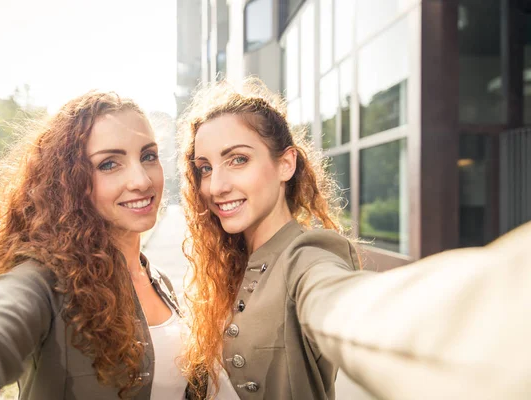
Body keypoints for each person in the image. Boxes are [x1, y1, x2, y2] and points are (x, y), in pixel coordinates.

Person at [177, 78, 531, 399]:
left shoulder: (307, 256)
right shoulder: (226, 260)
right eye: (205, 168)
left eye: (237, 160)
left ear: (285, 164)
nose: (216, 186)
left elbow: (346, 306)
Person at [0, 91, 192, 400]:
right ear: (70, 180)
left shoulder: (158, 280)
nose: (141, 180)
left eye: (148, 156)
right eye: (109, 164)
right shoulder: (45, 280)